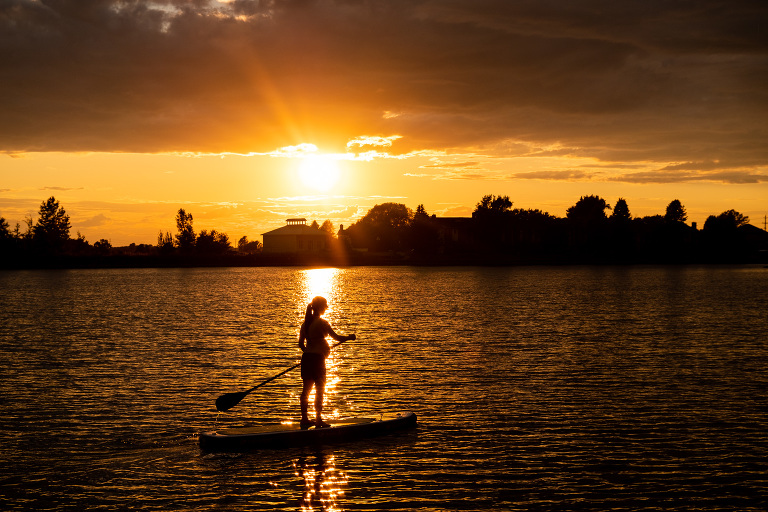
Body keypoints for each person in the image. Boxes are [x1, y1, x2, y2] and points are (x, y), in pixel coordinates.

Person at [298, 296, 355, 429]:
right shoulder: (322, 323)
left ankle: (304, 419)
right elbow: (337, 337)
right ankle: (318, 420)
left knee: (306, 390)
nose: (327, 307)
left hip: (306, 359)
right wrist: (350, 337)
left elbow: (300, 344)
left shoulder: (304, 324)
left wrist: (309, 351)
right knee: (319, 390)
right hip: (317, 360)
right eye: (325, 305)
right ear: (319, 307)